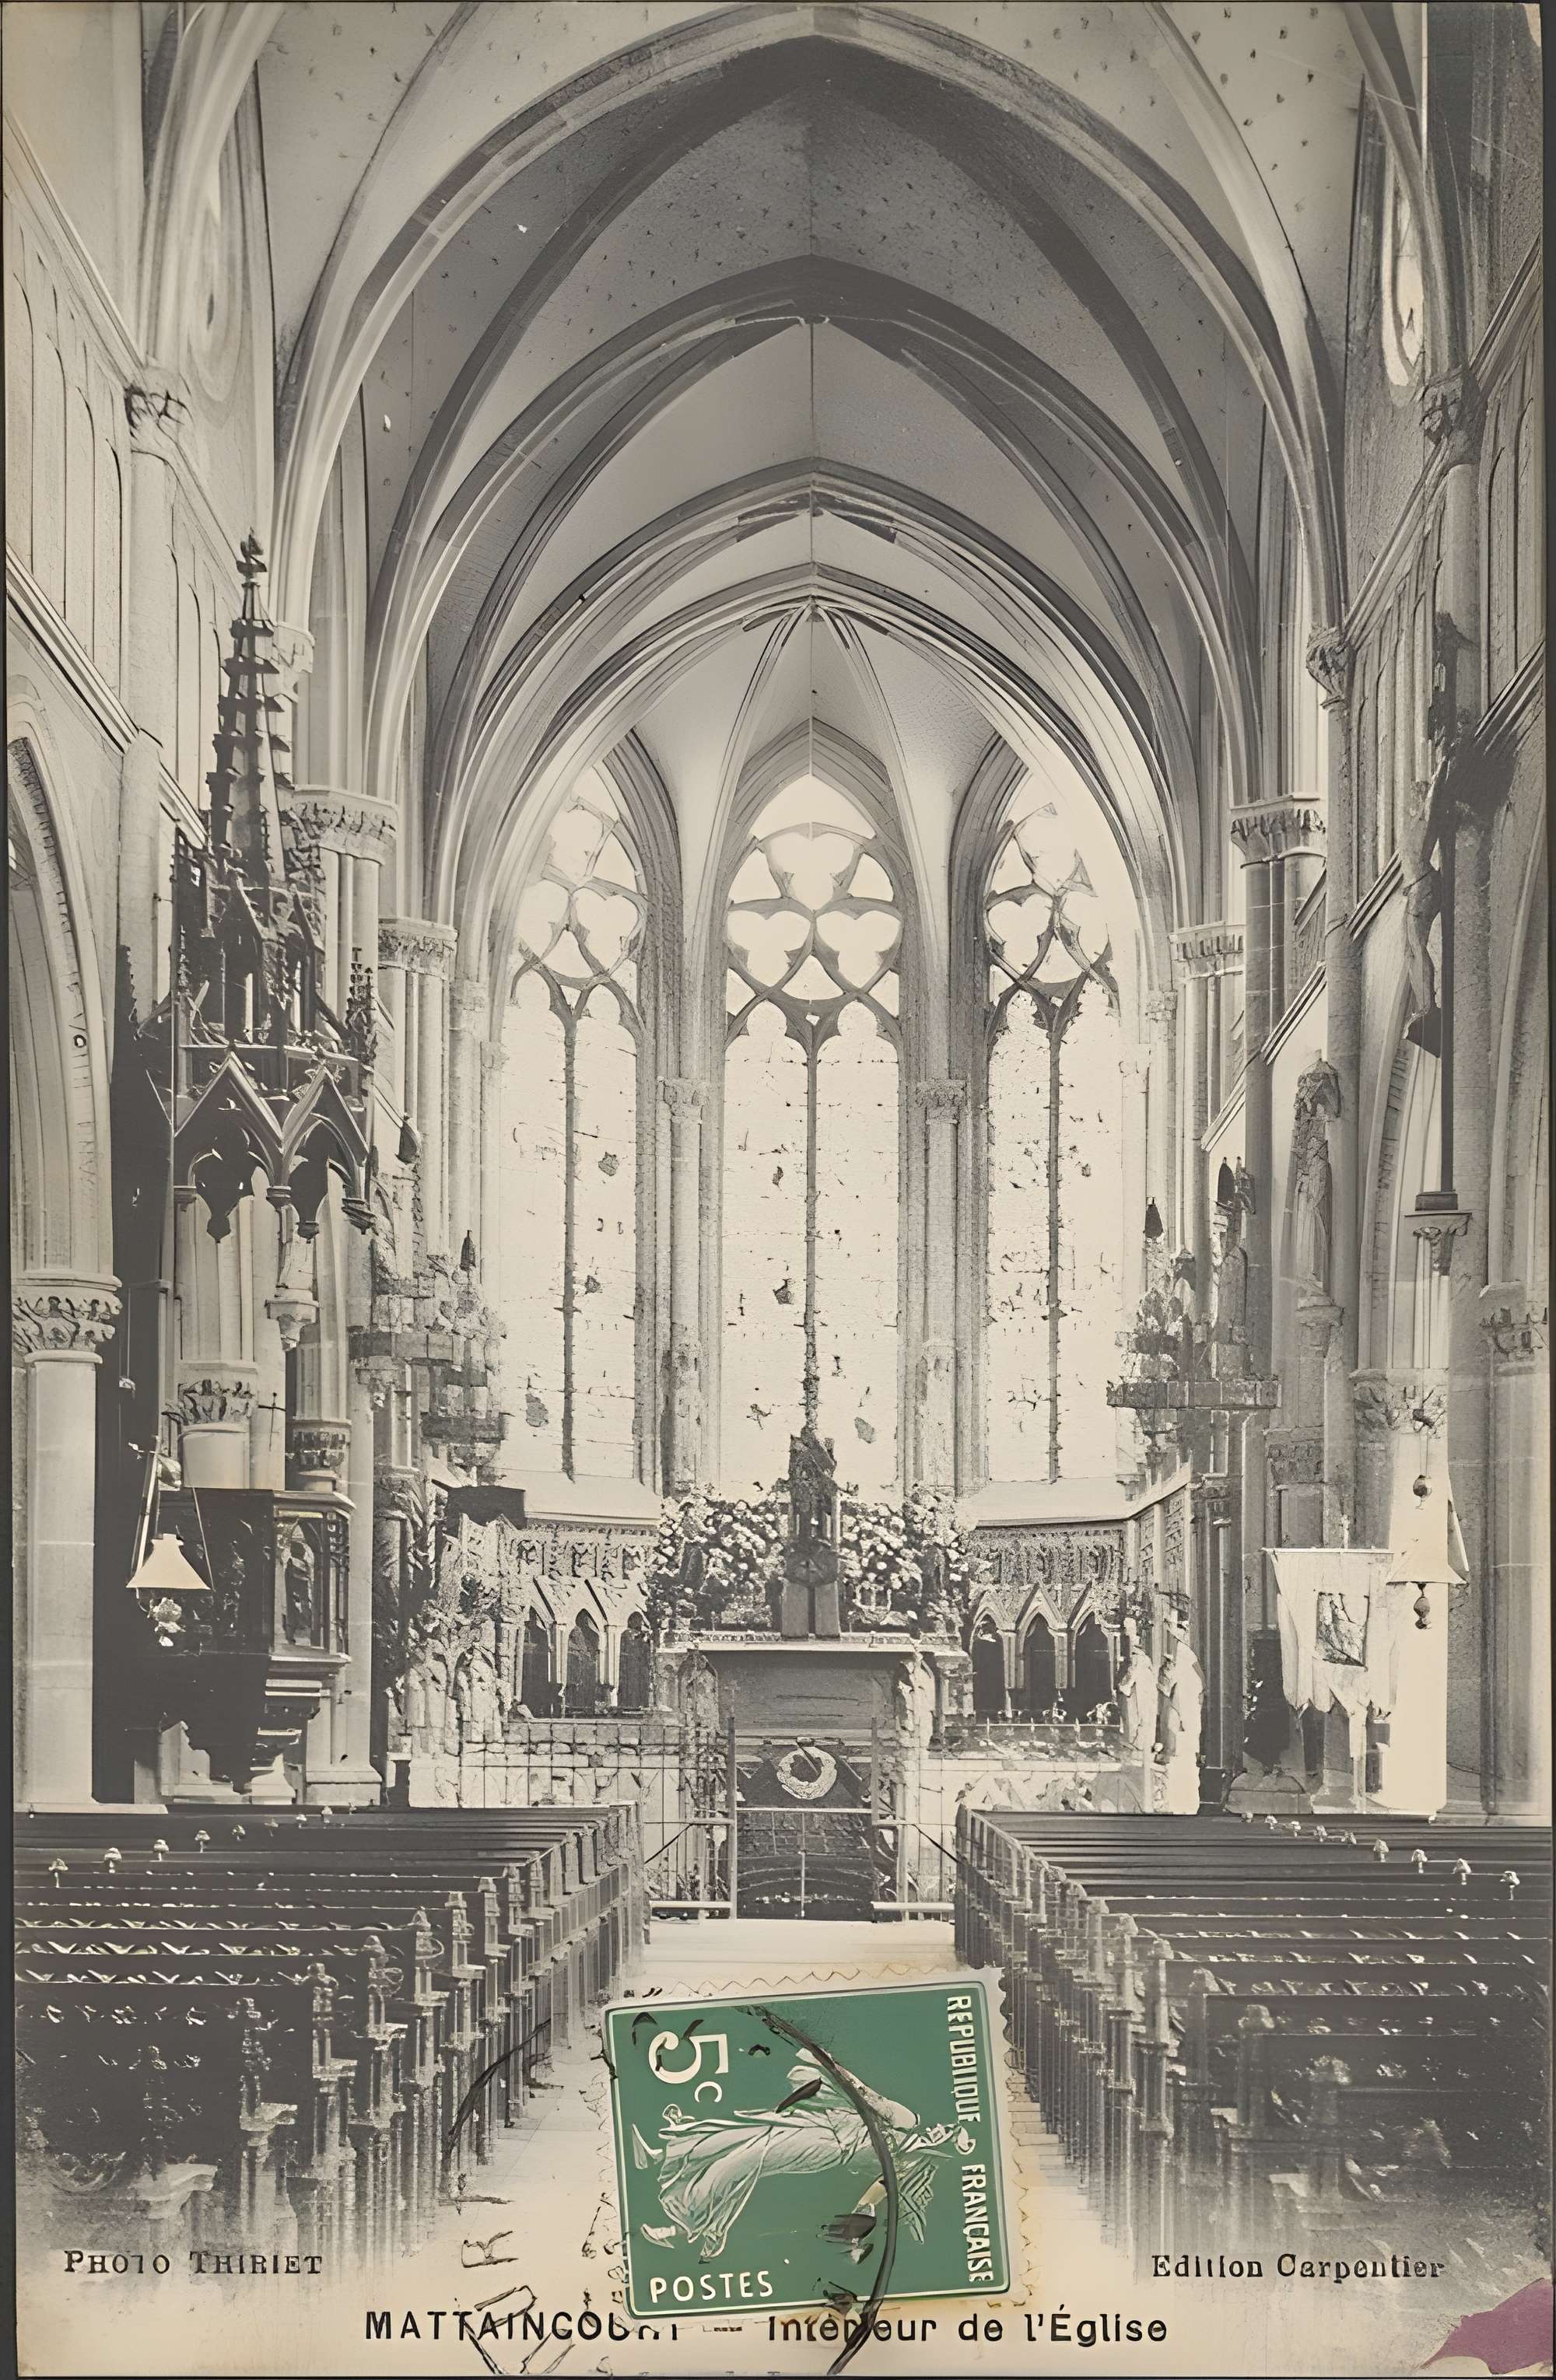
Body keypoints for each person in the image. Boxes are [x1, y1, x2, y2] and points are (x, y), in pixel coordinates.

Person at [633, 2049, 969, 2263]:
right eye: (949, 2127)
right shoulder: (907, 2120)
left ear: (943, 2152)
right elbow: (866, 2095)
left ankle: (686, 2227)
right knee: (743, 2132)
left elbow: (871, 2198)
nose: (942, 2130)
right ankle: (662, 2153)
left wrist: (856, 2228)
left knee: (746, 2161)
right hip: (825, 2120)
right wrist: (832, 2066)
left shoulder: (904, 2165)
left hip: (826, 2148)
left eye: (949, 2137)